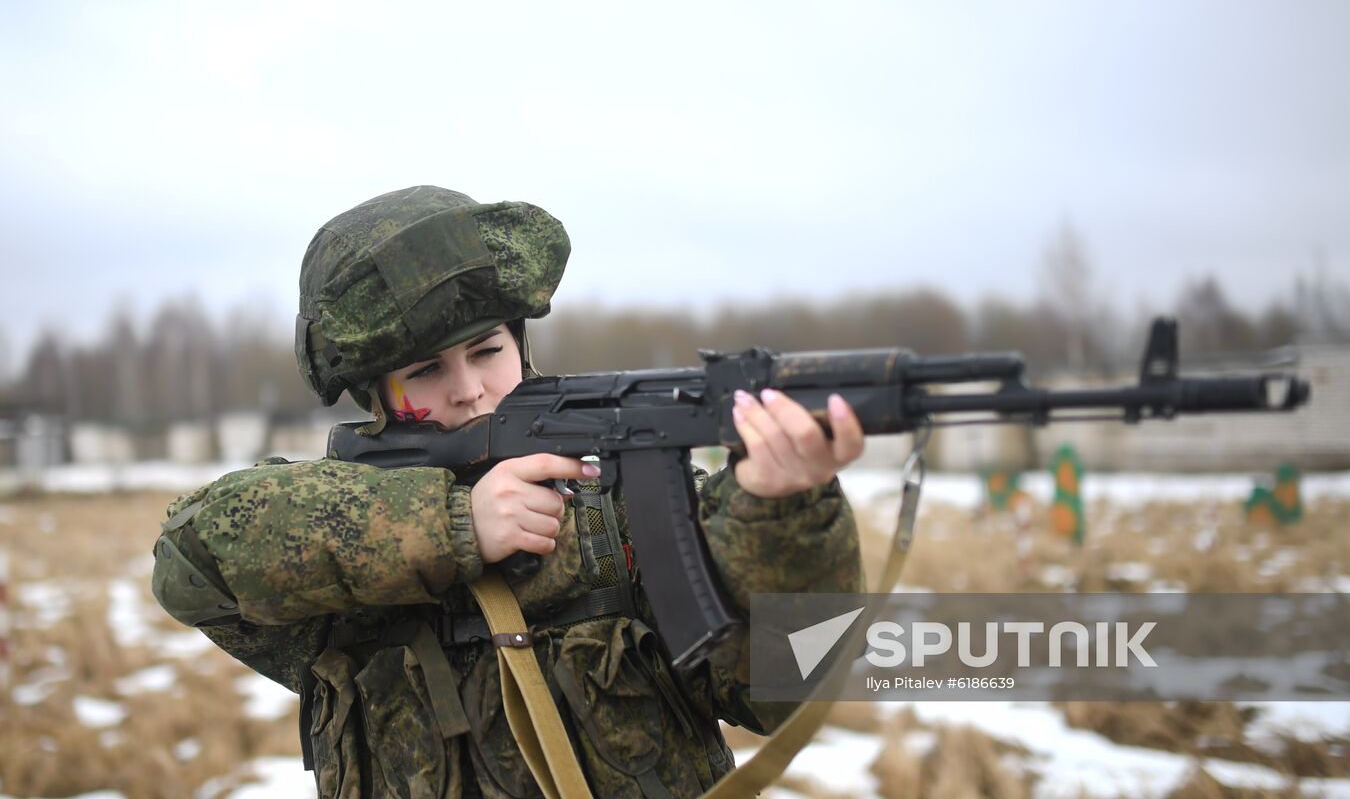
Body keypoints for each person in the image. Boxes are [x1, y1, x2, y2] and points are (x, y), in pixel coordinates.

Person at [151, 185, 866, 798]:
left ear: (521, 346)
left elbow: (783, 690)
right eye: (426, 370)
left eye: (487, 351)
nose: (468, 390)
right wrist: (451, 525)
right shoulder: (334, 544)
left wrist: (784, 514)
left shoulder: (627, 506)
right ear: (376, 395)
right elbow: (190, 563)